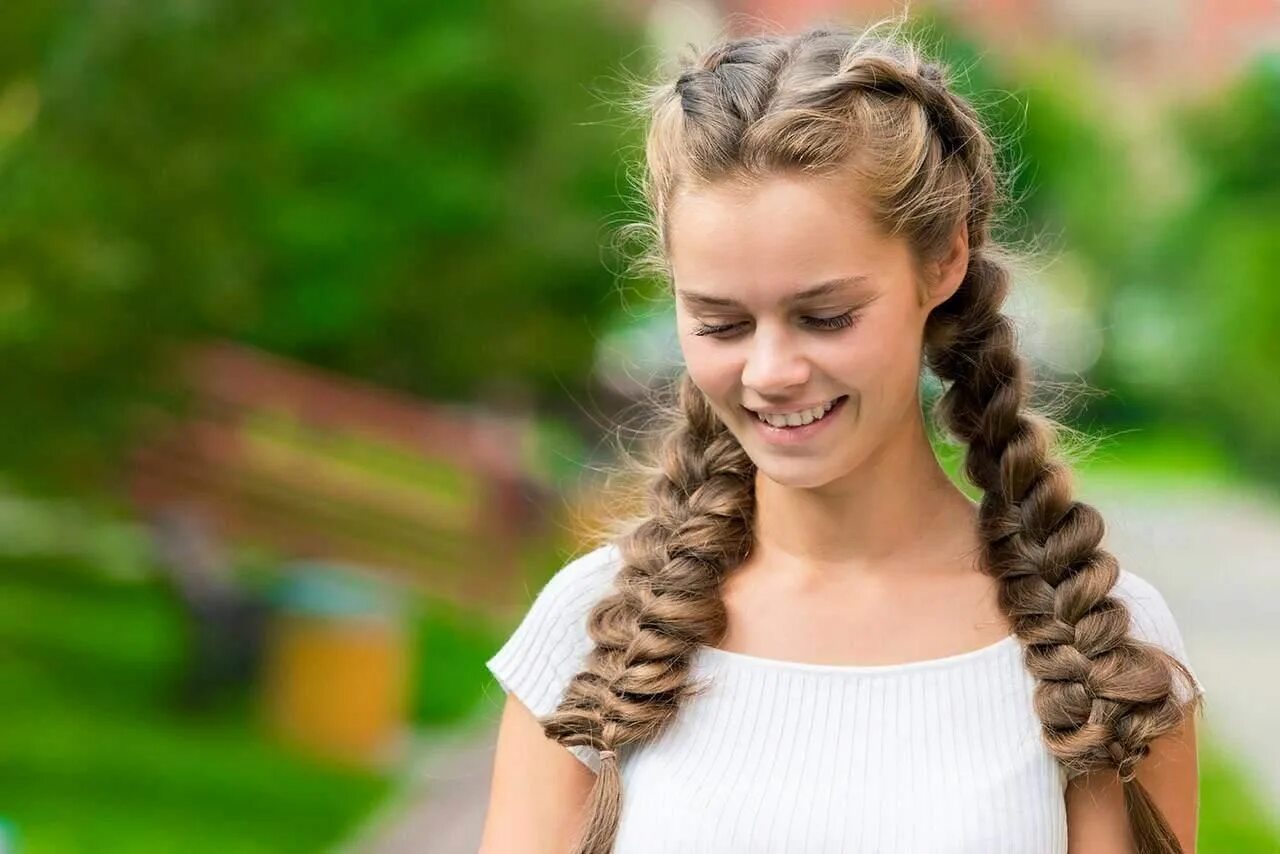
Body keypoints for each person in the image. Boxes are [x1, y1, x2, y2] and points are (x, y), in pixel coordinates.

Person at [480, 20, 1205, 854]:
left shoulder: (1101, 649)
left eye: (825, 317)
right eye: (719, 323)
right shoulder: (589, 632)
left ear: (944, 261)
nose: (771, 371)